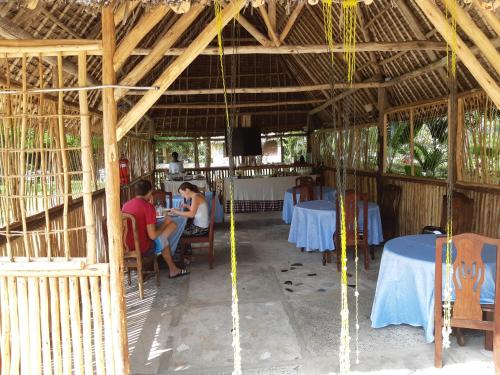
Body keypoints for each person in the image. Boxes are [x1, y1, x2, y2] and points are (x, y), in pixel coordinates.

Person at [122, 179, 189, 279]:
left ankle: (166, 264)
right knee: (162, 239)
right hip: (142, 248)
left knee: (165, 233)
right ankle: (173, 269)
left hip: (126, 246)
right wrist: (165, 222)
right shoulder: (147, 207)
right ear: (150, 192)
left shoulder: (126, 205)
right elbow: (153, 235)